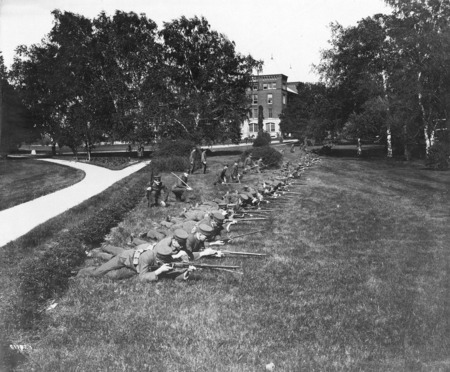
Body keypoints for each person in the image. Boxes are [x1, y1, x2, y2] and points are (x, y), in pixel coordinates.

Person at [78, 230, 195, 282]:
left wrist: (186, 268)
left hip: (136, 265)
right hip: (126, 258)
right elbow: (142, 277)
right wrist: (158, 271)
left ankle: (101, 252)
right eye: (178, 243)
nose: (180, 246)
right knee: (99, 272)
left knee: (114, 276)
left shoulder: (165, 252)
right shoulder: (152, 254)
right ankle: (81, 271)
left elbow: (171, 267)